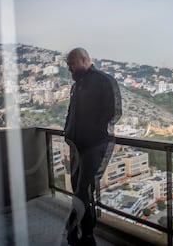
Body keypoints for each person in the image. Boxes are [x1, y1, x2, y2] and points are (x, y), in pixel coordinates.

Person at [64, 48, 122, 245]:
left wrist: (93, 132)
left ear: (84, 59)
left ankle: (72, 228)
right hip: (76, 145)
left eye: (72, 63)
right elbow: (71, 113)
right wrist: (68, 132)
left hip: (95, 145)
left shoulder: (104, 80)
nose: (69, 68)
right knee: (78, 188)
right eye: (68, 64)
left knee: (82, 189)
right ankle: (87, 232)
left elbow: (114, 112)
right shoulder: (77, 85)